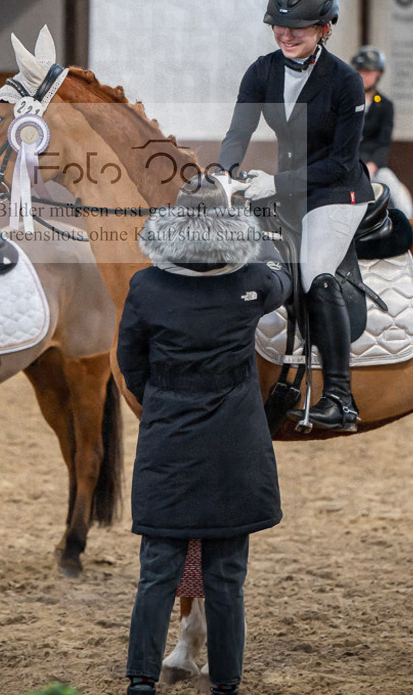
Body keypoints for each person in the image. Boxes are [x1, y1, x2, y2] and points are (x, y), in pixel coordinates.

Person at [117, 174, 291, 695]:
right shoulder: (254, 281)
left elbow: (131, 363)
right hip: (234, 446)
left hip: (169, 441)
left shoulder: (145, 286)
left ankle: (142, 682)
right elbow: (284, 280)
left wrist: (167, 401)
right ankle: (226, 684)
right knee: (225, 578)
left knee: (156, 575)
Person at [218, 0, 374, 433]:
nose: (285, 35)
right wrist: (225, 175)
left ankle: (340, 397)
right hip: (284, 188)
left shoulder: (346, 82)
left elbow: (342, 163)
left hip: (335, 192)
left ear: (325, 28)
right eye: (278, 26)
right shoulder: (261, 70)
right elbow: (238, 133)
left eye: (299, 28)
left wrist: (277, 184)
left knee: (315, 272)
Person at [351, 45, 413, 219]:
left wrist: (373, 164)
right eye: (361, 71)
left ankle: (408, 227)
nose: (364, 75)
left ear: (378, 73)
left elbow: (383, 142)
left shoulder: (385, 105)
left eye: (369, 71)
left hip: (373, 165)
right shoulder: (346, 100)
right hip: (348, 163)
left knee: (396, 191)